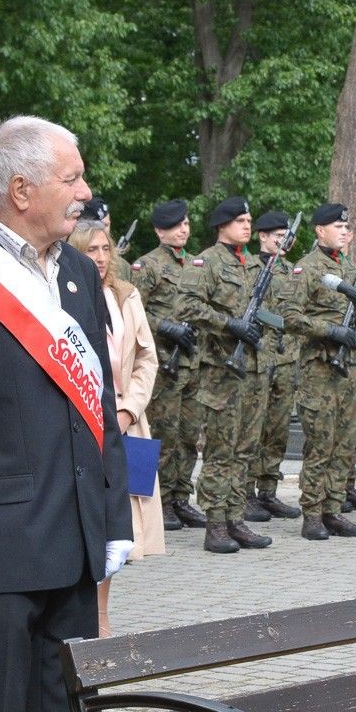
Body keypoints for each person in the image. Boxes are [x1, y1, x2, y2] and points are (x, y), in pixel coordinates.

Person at [0, 116, 133, 712]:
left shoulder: (77, 271)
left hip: (73, 551)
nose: (85, 192)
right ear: (21, 191)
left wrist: (113, 517)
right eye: (71, 178)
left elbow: (99, 402)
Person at [68, 219, 166, 637]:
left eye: (106, 249)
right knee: (81, 516)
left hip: (124, 422)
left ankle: (102, 615)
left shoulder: (126, 296)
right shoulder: (63, 294)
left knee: (118, 519)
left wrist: (128, 410)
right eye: (92, 250)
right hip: (79, 421)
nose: (102, 258)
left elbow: (147, 358)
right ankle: (76, 611)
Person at [177, 197, 272, 553]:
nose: (247, 226)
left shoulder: (250, 265)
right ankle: (215, 523)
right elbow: (185, 306)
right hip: (220, 371)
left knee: (245, 450)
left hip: (251, 370)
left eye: (249, 220)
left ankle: (236, 517)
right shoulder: (207, 262)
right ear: (222, 225)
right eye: (240, 220)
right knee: (221, 451)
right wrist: (229, 324)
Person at [286, 203, 356, 539]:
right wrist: (330, 330)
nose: (343, 231)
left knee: (345, 443)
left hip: (349, 370)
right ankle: (312, 513)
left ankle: (333, 509)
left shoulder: (350, 270)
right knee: (320, 443)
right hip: (319, 371)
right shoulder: (306, 269)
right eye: (337, 226)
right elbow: (291, 318)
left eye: (346, 227)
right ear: (319, 230)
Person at [131, 199, 209, 531]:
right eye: (176, 225)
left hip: (193, 361)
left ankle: (179, 497)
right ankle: (153, 504)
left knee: (189, 436)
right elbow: (133, 311)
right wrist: (166, 326)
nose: (184, 229)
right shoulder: (146, 266)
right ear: (160, 230)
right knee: (160, 436)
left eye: (186, 224)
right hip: (162, 365)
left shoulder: (196, 264)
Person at [239, 210, 302, 522]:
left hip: (287, 358)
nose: (282, 240)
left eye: (285, 235)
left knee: (277, 430)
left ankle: (268, 491)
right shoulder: (248, 267)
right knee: (253, 427)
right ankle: (246, 493)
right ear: (262, 236)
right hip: (257, 359)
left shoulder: (292, 270)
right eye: (276, 235)